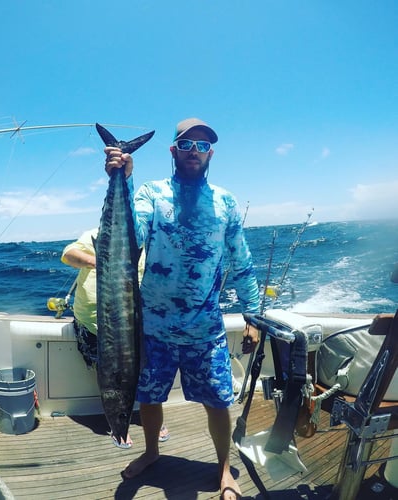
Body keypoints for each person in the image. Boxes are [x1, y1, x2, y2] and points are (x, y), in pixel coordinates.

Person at [104, 118, 260, 500]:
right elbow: (131, 239)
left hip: (205, 328)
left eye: (203, 146)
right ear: (174, 151)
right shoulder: (150, 194)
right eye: (188, 145)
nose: (195, 152)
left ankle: (224, 468)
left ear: (211, 154)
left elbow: (241, 260)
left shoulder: (225, 201)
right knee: (149, 396)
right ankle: (152, 451)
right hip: (153, 326)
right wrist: (121, 178)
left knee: (218, 402)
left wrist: (252, 314)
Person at [61, 229, 170, 448]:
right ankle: (119, 421)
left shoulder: (151, 238)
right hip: (92, 323)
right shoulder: (97, 234)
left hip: (136, 326)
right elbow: (68, 255)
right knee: (105, 372)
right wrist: (98, 261)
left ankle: (142, 415)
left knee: (144, 371)